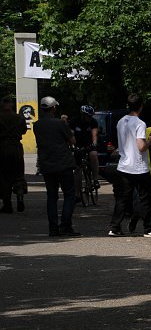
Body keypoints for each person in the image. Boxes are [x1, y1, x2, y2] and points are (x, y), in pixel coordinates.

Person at [108, 94, 151, 238]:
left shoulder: (121, 122)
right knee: (146, 198)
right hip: (138, 167)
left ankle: (114, 227)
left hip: (123, 165)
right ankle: (149, 229)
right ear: (141, 106)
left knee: (122, 199)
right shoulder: (140, 123)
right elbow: (141, 147)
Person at [32, 96, 80, 236]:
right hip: (63, 163)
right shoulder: (60, 123)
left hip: (47, 164)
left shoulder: (37, 125)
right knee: (69, 195)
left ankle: (53, 228)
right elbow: (72, 140)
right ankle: (65, 226)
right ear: (53, 108)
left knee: (52, 197)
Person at [0, 96, 28, 213]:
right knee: (18, 174)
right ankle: (20, 197)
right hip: (16, 147)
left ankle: (7, 205)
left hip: (1, 148)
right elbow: (23, 131)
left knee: (3, 176)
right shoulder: (19, 118)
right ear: (11, 105)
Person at [70, 104, 101, 194]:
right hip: (78, 146)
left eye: (91, 116)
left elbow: (94, 135)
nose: (90, 117)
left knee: (93, 155)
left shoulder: (93, 122)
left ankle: (95, 179)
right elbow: (71, 135)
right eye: (88, 116)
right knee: (77, 169)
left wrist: (94, 143)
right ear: (83, 115)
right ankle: (77, 194)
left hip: (89, 145)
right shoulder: (74, 121)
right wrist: (72, 146)